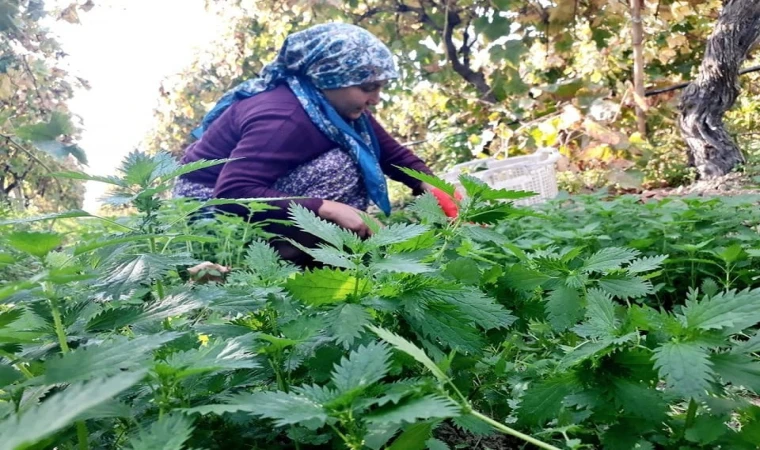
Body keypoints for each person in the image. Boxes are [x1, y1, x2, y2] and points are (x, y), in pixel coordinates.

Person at [173, 22, 440, 266]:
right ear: (331, 77)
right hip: (209, 212)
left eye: (380, 87)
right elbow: (233, 193)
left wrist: (432, 186)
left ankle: (309, 250)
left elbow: (389, 152)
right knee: (339, 167)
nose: (376, 99)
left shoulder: (329, 107)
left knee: (351, 154)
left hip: (242, 194)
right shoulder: (285, 118)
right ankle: (277, 257)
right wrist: (329, 209)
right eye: (368, 87)